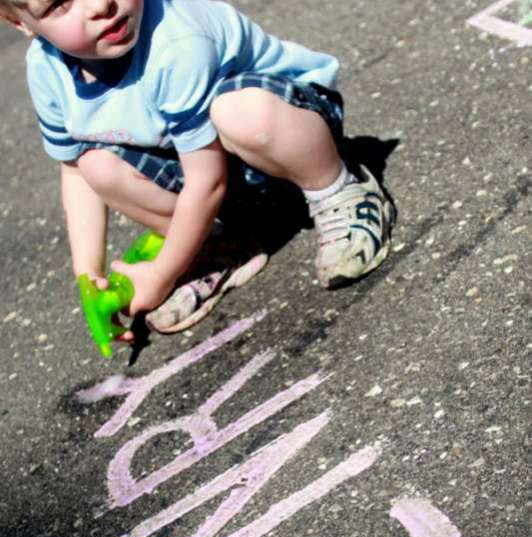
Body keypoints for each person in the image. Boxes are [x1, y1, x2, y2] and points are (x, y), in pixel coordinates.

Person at [1, 0, 395, 335]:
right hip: (208, 165)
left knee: (240, 115)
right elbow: (73, 171)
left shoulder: (176, 41)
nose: (100, 5)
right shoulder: (47, 70)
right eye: (58, 4)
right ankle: (221, 245)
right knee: (96, 165)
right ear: (22, 23)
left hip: (290, 130)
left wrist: (160, 275)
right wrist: (90, 278)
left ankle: (338, 188)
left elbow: (207, 184)